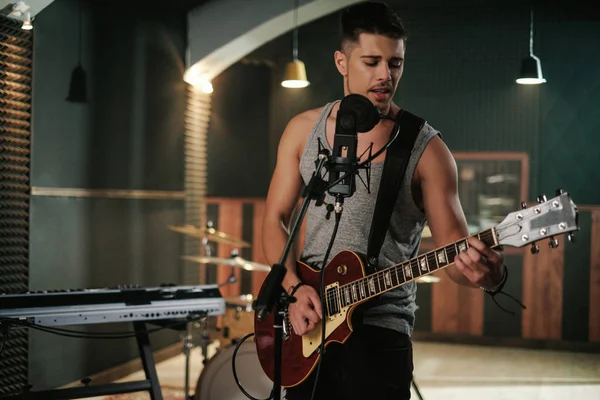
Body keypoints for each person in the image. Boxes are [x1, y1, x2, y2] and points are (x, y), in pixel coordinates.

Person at [261, 1, 505, 399]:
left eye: (395, 63)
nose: (385, 76)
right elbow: (274, 221)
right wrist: (292, 289)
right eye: (371, 62)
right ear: (342, 61)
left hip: (380, 338)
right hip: (307, 325)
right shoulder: (302, 131)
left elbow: (454, 257)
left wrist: (486, 275)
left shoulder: (427, 149)